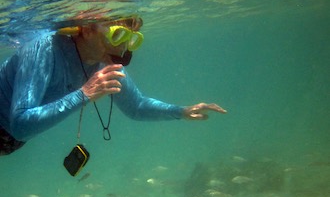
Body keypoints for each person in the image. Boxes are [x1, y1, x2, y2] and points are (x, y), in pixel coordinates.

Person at [0, 15, 226, 156]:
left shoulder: (102, 61)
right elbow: (21, 125)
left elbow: (136, 106)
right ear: (87, 29)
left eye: (131, 39)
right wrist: (84, 94)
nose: (123, 50)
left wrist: (180, 111)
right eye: (117, 35)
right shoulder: (43, 49)